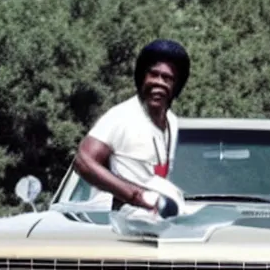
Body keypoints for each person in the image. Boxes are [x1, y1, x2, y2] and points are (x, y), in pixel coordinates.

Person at [73, 38, 190, 216]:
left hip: (156, 224)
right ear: (142, 77)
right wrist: (136, 196)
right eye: (153, 74)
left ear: (176, 85)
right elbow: (83, 162)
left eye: (167, 78)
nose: (159, 82)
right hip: (118, 226)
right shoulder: (121, 116)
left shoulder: (172, 122)